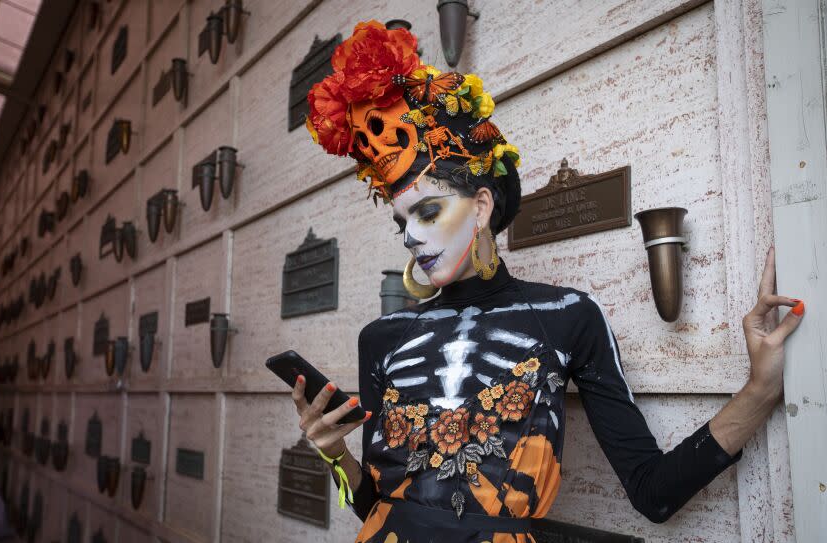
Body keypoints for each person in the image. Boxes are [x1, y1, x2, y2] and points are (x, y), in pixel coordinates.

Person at [296, 20, 806, 543]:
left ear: (481, 206)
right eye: (402, 222)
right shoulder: (381, 337)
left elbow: (654, 493)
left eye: (428, 212)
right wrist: (333, 452)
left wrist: (760, 391)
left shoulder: (568, 317)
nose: (410, 237)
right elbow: (374, 508)